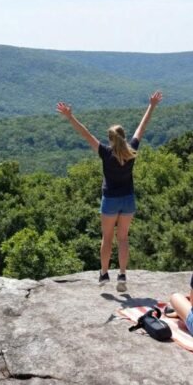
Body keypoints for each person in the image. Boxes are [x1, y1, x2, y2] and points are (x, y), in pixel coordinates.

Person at [56, 91, 163, 292]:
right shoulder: (131, 150)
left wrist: (70, 117)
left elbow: (85, 133)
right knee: (123, 238)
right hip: (128, 200)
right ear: (123, 136)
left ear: (110, 138)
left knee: (107, 238)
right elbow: (142, 127)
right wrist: (152, 105)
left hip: (110, 201)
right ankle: (122, 275)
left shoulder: (105, 153)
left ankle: (104, 273)